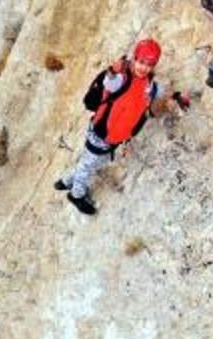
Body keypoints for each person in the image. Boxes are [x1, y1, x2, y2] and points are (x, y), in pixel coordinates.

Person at [55, 39, 189, 215]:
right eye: (141, 62)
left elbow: (161, 91)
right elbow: (109, 84)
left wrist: (177, 96)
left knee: (95, 161)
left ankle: (67, 181)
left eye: (149, 64)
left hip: (117, 136)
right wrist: (111, 71)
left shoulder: (149, 85)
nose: (144, 67)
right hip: (101, 132)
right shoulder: (122, 78)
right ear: (135, 58)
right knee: (88, 164)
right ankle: (76, 195)